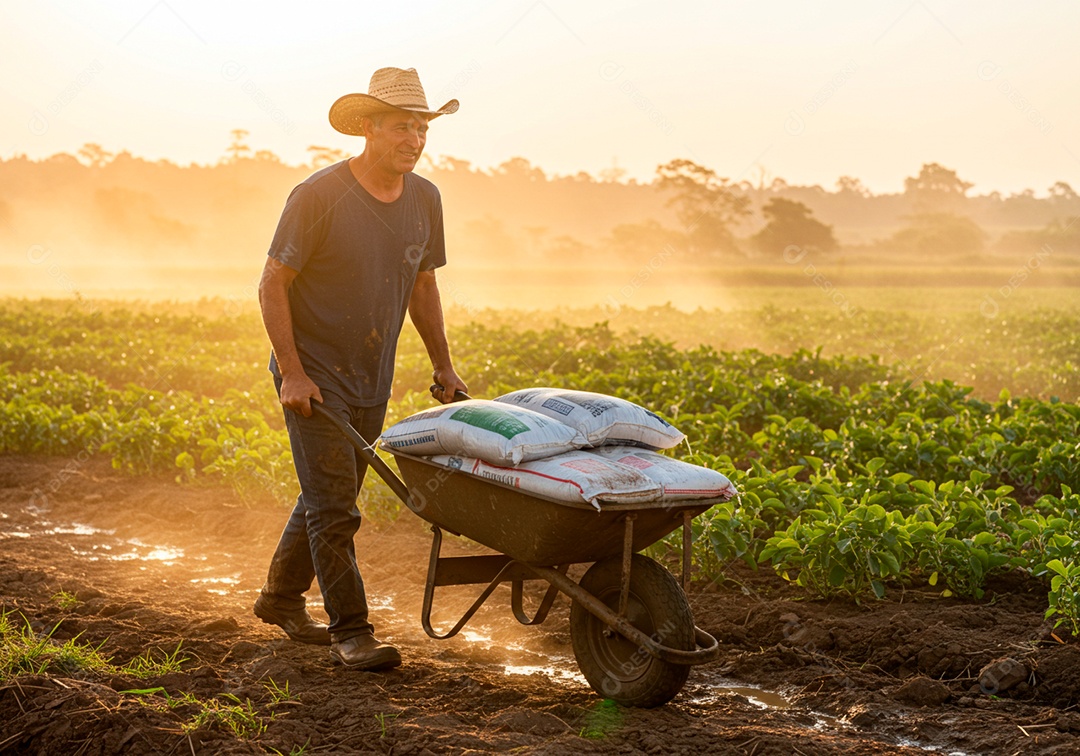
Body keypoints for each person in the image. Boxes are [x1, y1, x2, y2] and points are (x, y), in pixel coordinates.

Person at [254, 67, 468, 671]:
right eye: (403, 127)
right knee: (336, 510)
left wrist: (443, 365)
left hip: (371, 374)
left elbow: (422, 285)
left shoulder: (426, 199)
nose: (415, 139)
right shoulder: (319, 195)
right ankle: (352, 631)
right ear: (369, 129)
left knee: (331, 494)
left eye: (422, 129)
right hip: (314, 373)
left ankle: (278, 598)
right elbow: (273, 282)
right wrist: (292, 373)